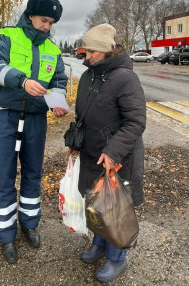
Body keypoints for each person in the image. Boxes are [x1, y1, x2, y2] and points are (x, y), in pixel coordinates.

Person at [0, 0, 68, 264]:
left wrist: (57, 101)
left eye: (52, 23)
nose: (47, 27)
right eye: (44, 20)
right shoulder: (6, 36)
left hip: (34, 117)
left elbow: (58, 80)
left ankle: (29, 224)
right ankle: (6, 236)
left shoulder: (53, 50)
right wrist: (22, 82)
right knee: (3, 175)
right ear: (30, 15)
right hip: (3, 114)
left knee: (33, 172)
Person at [68, 23, 146, 283]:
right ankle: (100, 244)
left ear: (106, 50)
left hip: (117, 159)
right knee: (97, 204)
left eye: (92, 51)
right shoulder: (90, 74)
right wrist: (76, 140)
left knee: (115, 209)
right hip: (92, 154)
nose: (87, 55)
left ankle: (117, 258)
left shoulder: (125, 78)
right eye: (86, 50)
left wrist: (113, 151)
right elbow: (85, 114)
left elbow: (136, 121)